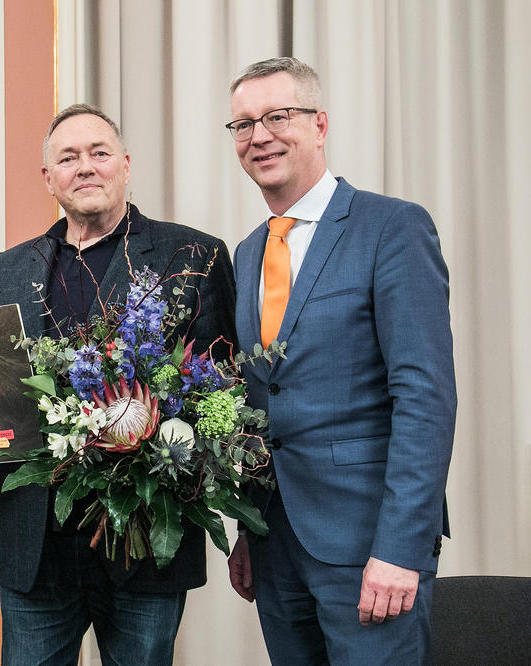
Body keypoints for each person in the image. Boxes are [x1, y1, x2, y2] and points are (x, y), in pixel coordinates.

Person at [0, 104, 236, 664]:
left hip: (145, 540)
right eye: (68, 158)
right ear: (49, 179)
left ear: (125, 165)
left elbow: (224, 385)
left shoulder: (192, 255)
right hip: (36, 544)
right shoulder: (8, 268)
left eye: (98, 153)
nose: (85, 167)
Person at [224, 57, 455, 664]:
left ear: (320, 124)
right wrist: (248, 528)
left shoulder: (392, 227)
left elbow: (425, 397)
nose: (260, 135)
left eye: (278, 116)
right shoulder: (249, 253)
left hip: (368, 547)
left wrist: (402, 548)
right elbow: (258, 403)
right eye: (243, 124)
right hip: (276, 547)